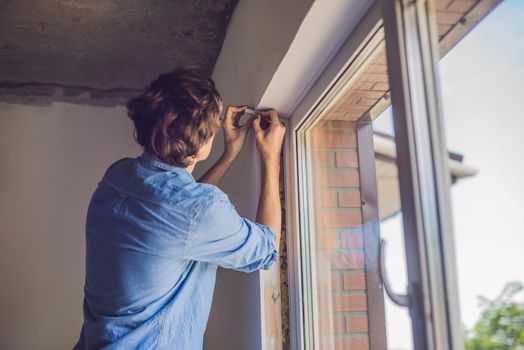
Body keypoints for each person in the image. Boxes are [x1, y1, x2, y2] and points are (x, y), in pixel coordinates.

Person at [74, 68, 285, 349]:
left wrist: (229, 155)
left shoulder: (119, 176)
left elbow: (180, 215)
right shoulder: (196, 210)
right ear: (200, 146)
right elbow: (266, 248)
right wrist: (271, 160)